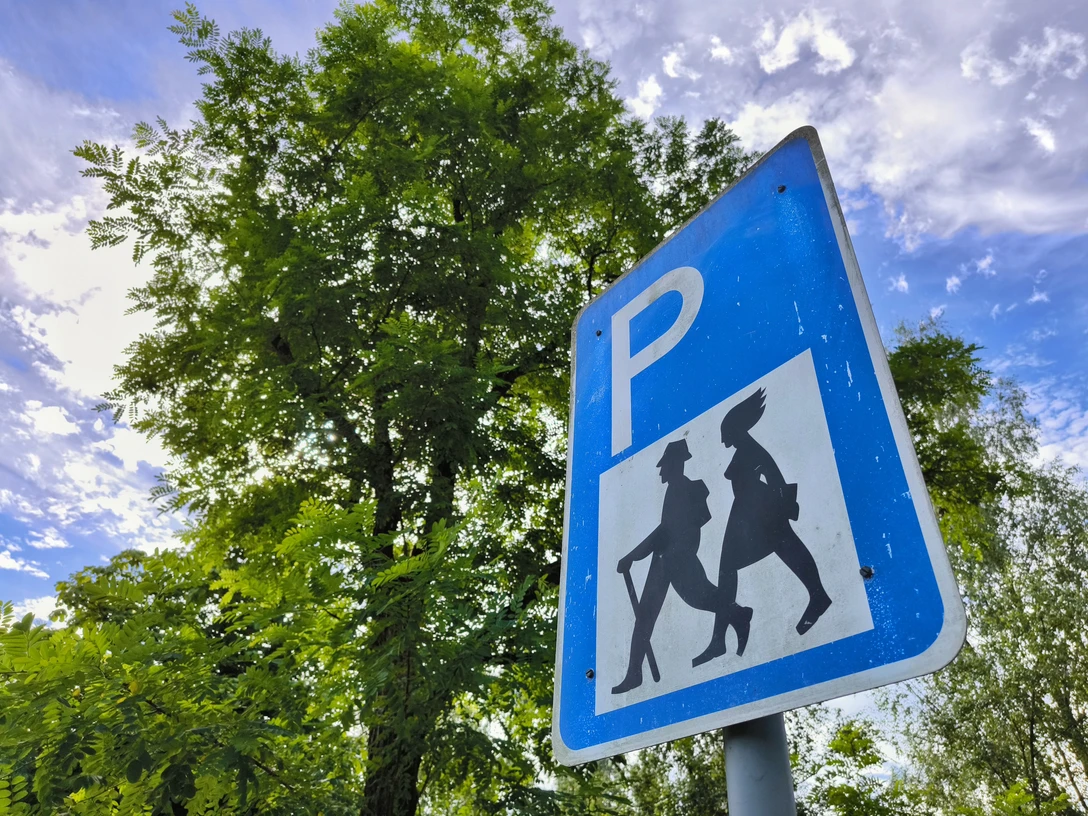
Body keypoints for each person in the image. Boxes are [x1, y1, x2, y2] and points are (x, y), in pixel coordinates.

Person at [692, 388, 832, 668]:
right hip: (745, 511)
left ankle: (818, 596)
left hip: (759, 509)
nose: (724, 438)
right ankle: (719, 639)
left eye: (726, 431)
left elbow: (774, 473)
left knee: (786, 549)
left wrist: (783, 504)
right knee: (734, 567)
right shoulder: (745, 448)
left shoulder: (752, 449)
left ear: (735, 429)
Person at [612, 438, 724, 693]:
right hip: (662, 562)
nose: (661, 471)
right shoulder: (675, 489)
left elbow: (667, 530)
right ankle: (634, 674)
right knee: (644, 618)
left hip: (678, 560)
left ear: (676, 464)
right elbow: (667, 530)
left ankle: (738, 614)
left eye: (665, 466)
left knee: (702, 598)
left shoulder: (683, 489)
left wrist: (632, 556)